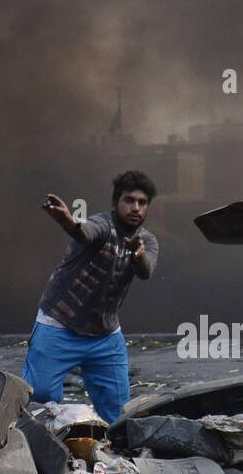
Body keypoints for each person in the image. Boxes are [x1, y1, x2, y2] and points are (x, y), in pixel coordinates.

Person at [22, 170, 159, 424]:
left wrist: (138, 255)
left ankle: (113, 458)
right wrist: (67, 222)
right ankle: (40, 453)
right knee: (39, 397)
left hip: (104, 336)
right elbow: (85, 232)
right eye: (129, 200)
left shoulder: (147, 241)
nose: (136, 208)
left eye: (142, 202)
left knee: (118, 411)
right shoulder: (103, 225)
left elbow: (146, 271)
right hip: (60, 325)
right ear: (114, 203)